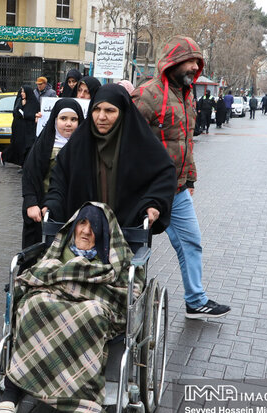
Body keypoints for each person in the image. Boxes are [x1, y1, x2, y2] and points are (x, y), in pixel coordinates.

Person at [0, 203, 146, 413]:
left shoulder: (113, 260)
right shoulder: (58, 251)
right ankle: (12, 392)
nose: (85, 231)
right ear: (73, 226)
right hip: (54, 299)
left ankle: (84, 408)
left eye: (93, 227)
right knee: (32, 305)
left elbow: (127, 292)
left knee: (92, 314)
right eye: (82, 223)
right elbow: (39, 273)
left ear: (103, 233)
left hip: (91, 306)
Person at [134, 35, 231, 320]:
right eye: (189, 61)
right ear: (172, 62)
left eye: (197, 62)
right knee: (135, 247)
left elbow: (184, 143)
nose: (193, 67)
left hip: (176, 191)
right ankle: (126, 298)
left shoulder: (187, 96)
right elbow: (126, 139)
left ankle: (196, 300)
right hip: (144, 189)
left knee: (191, 241)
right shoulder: (147, 95)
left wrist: (189, 180)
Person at [44, 83, 176, 233]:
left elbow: (165, 173)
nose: (101, 117)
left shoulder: (140, 143)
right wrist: (52, 203)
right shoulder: (78, 144)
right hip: (84, 232)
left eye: (109, 110)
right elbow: (60, 179)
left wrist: (153, 203)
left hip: (127, 232)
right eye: (96, 109)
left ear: (123, 112)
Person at [21, 98, 84, 249]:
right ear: (54, 120)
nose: (68, 124)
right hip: (43, 210)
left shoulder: (85, 146)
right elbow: (29, 174)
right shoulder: (43, 145)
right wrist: (31, 203)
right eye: (63, 118)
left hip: (75, 210)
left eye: (73, 119)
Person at [0, 86, 39, 168]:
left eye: (23, 92)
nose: (22, 94)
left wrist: (36, 116)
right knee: (19, 145)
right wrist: (23, 107)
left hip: (30, 128)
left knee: (29, 145)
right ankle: (22, 164)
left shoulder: (34, 102)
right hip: (19, 127)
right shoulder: (20, 101)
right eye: (21, 92)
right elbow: (18, 113)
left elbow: (36, 113)